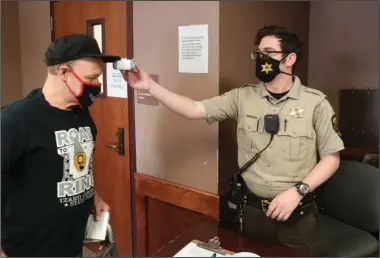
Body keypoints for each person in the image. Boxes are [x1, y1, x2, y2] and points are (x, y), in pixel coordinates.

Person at [123, 25, 344, 255]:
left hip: (296, 215)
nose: (261, 58)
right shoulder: (242, 97)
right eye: (258, 53)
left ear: (290, 59)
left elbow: (331, 158)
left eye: (268, 52)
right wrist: (150, 86)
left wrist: (297, 192)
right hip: (252, 213)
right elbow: (193, 109)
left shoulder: (315, 103)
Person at [1, 34, 120, 257]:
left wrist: (94, 197)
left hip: (71, 248)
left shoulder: (82, 115)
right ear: (64, 72)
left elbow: (75, 168)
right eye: (92, 78)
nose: (98, 86)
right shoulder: (15, 120)